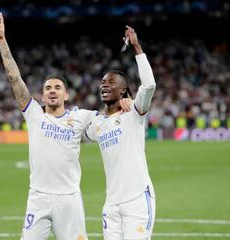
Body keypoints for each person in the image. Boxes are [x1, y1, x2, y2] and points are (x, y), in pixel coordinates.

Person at [0, 13, 131, 240]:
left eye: (57, 87)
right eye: (48, 88)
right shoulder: (34, 115)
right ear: (43, 95)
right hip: (38, 197)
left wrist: (128, 102)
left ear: (66, 94)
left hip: (69, 199)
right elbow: (14, 79)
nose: (52, 90)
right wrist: (2, 42)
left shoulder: (82, 117)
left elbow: (110, 118)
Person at [85, 26, 156, 239]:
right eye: (103, 82)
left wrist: (136, 48)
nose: (104, 85)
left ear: (123, 90)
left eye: (111, 82)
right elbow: (73, 135)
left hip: (137, 200)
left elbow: (150, 85)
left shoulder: (133, 112)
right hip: (111, 203)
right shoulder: (97, 124)